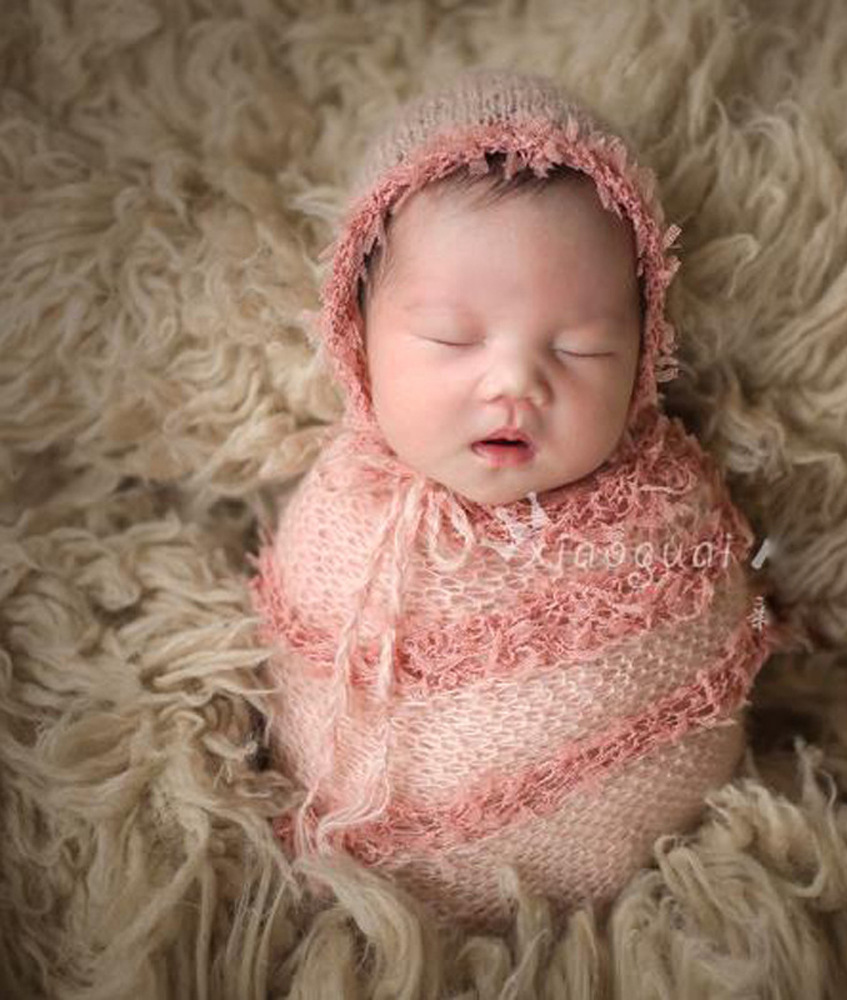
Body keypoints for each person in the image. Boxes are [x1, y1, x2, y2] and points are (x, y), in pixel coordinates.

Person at [248, 68, 783, 936]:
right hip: (347, 917)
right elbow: (294, 685)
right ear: (358, 335)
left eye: (579, 350)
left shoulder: (666, 519)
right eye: (452, 339)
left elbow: (708, 677)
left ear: (645, 355)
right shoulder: (344, 512)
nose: (514, 384)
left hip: (627, 922)